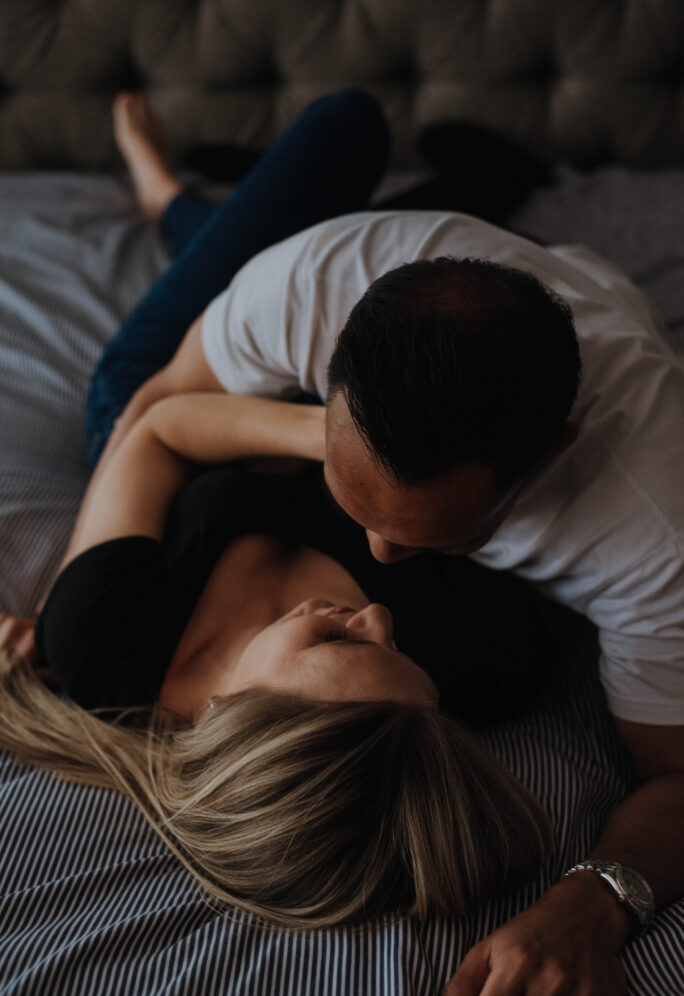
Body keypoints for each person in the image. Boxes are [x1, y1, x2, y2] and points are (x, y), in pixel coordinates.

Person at [75, 91, 684, 996]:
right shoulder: (311, 289)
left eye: (430, 533)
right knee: (345, 126)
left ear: (551, 457)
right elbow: (156, 416)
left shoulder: (652, 531)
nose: (383, 571)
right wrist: (312, 436)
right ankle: (172, 197)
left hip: (221, 446)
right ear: (330, 375)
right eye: (359, 496)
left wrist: (595, 904)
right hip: (229, 403)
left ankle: (180, 204)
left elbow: (674, 776)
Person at [0, 91, 555, 936]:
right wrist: (371, 433)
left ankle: (171, 201)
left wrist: (351, 444)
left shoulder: (100, 645)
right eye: (401, 654)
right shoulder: (484, 656)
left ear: (227, 717)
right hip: (339, 385)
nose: (376, 615)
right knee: (464, 300)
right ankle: (206, 221)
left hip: (171, 390)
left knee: (348, 125)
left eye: (337, 639)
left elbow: (159, 431)